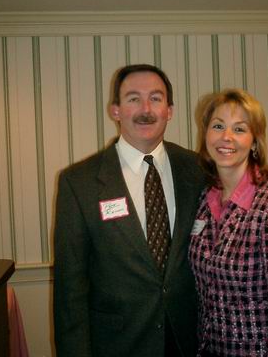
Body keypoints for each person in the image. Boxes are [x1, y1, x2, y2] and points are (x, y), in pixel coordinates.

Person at [53, 64, 205, 357]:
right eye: (133, 98)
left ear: (170, 111)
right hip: (118, 344)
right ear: (116, 110)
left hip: (189, 340)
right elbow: (69, 290)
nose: (145, 109)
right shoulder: (80, 183)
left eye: (156, 98)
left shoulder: (197, 169)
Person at [189, 88, 268, 357]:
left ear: (254, 142)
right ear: (206, 135)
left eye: (239, 129)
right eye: (218, 126)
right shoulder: (204, 200)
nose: (226, 137)